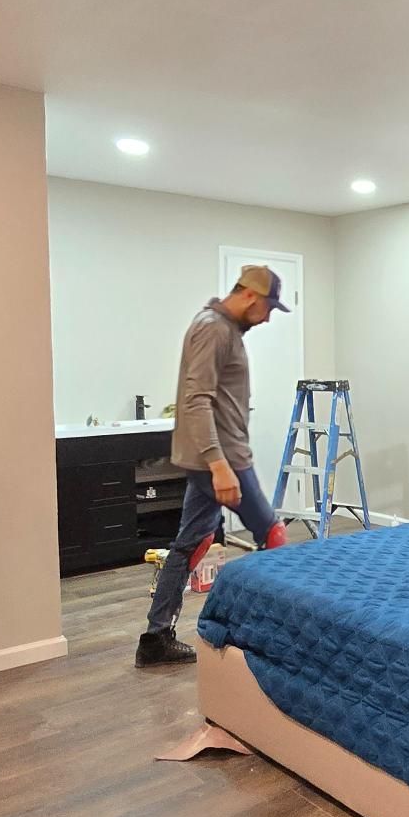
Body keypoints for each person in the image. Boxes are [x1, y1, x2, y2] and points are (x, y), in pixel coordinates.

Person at [135, 264, 290, 667]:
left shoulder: (222, 328)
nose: (270, 316)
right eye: (270, 307)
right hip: (224, 459)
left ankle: (155, 639)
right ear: (251, 297)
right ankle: (272, 636)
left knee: (192, 543)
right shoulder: (214, 329)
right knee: (272, 537)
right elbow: (196, 400)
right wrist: (220, 465)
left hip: (219, 457)